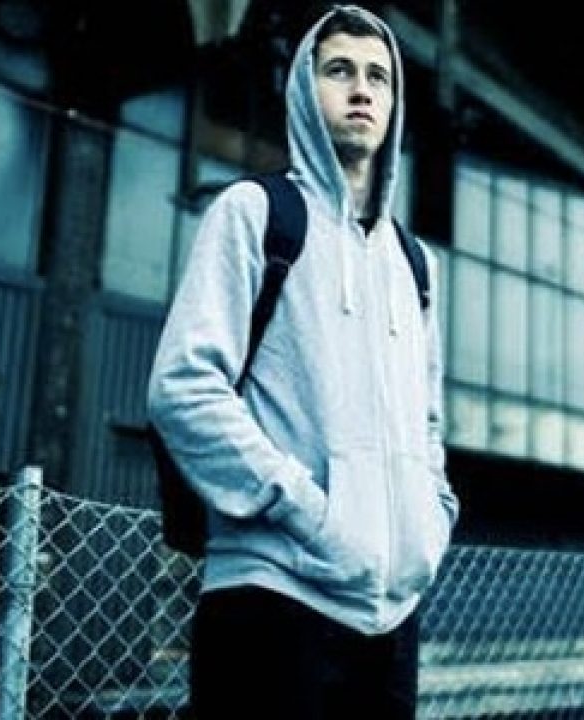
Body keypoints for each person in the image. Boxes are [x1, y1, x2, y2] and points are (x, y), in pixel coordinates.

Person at [146, 5, 458, 717]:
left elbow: (428, 421)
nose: (362, 90)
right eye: (340, 70)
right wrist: (308, 511)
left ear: (395, 103)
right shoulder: (255, 213)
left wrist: (430, 524)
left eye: (379, 77)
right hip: (273, 596)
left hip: (391, 615)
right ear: (304, 89)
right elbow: (184, 389)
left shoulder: (416, 264)